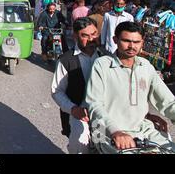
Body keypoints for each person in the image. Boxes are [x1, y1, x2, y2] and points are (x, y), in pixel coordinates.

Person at [86, 22, 175, 153]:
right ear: (115, 40)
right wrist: (115, 131)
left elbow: (167, 101)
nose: (132, 46)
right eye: (126, 41)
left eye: (136, 42)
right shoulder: (102, 65)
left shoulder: (146, 66)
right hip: (106, 132)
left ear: (142, 43)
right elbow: (94, 104)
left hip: (142, 129)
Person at [51, 17, 108, 154]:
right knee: (80, 144)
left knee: (100, 145)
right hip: (78, 114)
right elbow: (57, 91)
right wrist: (73, 109)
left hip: (100, 114)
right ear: (75, 36)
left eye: (94, 34)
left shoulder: (105, 58)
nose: (91, 39)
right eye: (85, 35)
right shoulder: (66, 60)